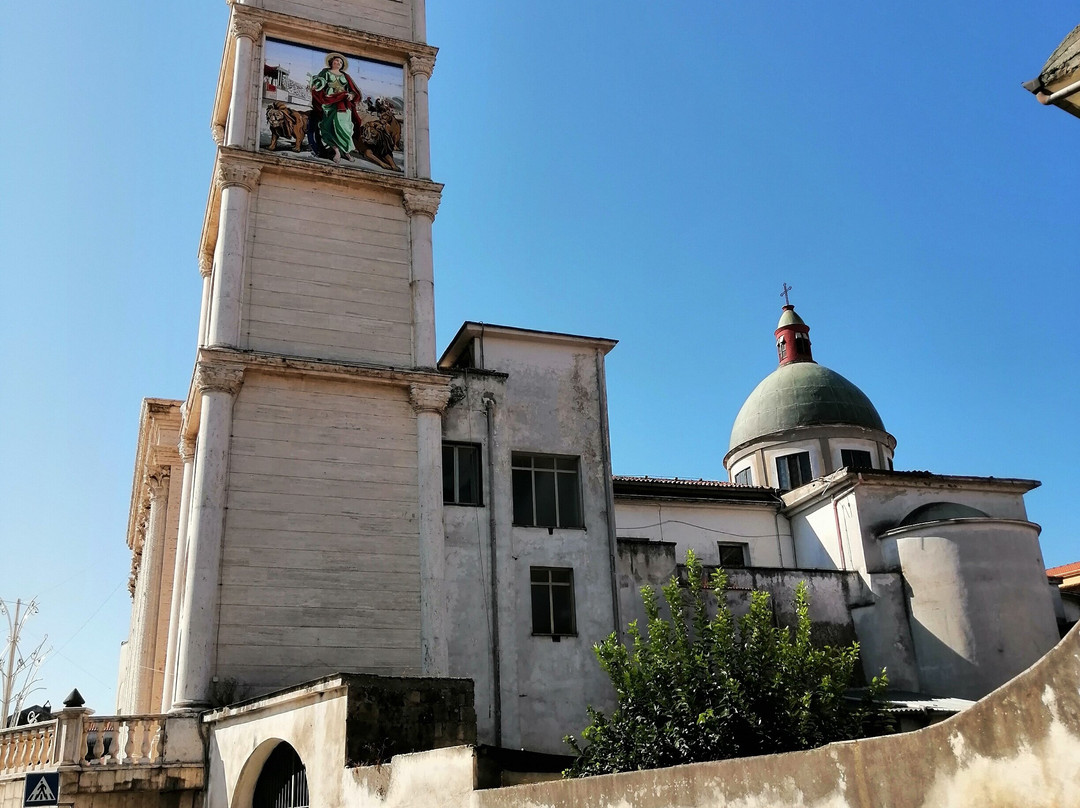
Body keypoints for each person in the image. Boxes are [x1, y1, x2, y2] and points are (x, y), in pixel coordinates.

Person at [309, 52, 364, 162]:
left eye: (340, 62)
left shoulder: (346, 76)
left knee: (345, 128)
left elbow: (353, 90)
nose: (338, 63)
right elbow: (319, 82)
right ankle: (337, 151)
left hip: (343, 103)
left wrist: (352, 95)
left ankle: (347, 152)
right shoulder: (326, 72)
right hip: (329, 102)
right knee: (330, 127)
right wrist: (316, 85)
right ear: (331, 62)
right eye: (336, 61)